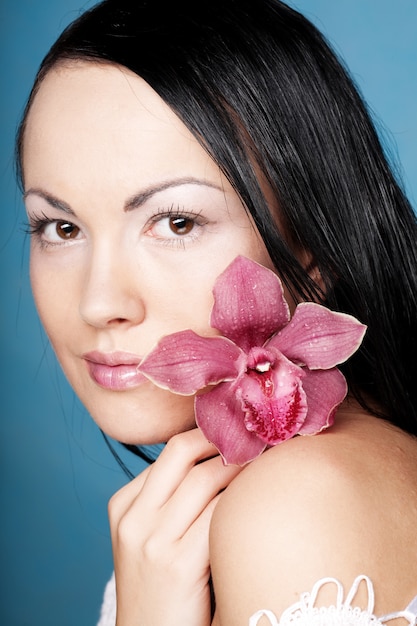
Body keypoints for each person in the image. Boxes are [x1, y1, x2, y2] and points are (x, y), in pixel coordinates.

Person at [16, 0, 417, 623]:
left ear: (311, 247)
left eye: (176, 222)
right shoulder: (249, 501)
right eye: (60, 227)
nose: (99, 303)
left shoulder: (295, 504)